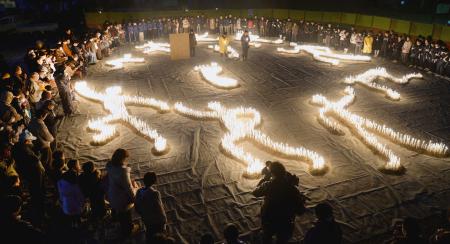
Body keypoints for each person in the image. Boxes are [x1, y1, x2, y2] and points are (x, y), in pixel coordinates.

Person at [253, 162, 306, 244]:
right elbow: (300, 211)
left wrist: (264, 179)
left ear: (272, 173)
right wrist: (301, 200)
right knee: (282, 240)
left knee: (267, 237)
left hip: (269, 219)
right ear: (284, 173)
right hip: (286, 222)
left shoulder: (268, 185)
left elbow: (255, 192)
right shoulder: (293, 189)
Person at [12, 130, 46, 226]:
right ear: (26, 141)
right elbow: (36, 159)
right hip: (34, 173)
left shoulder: (16, 147)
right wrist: (39, 153)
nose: (32, 142)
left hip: (26, 173)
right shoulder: (28, 152)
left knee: (34, 189)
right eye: (30, 140)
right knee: (38, 192)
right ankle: (39, 215)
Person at [106, 148, 138, 239]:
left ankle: (119, 221)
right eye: (125, 159)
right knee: (126, 214)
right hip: (121, 197)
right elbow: (128, 187)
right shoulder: (123, 172)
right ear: (122, 159)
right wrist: (134, 196)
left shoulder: (109, 165)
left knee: (120, 212)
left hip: (112, 192)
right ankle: (127, 230)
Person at [135, 171, 167, 241]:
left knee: (149, 233)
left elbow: (137, 207)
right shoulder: (155, 193)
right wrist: (164, 220)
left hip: (146, 219)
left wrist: (143, 214)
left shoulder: (139, 191)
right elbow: (159, 209)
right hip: (156, 221)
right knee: (159, 237)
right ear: (154, 181)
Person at [57, 159, 85, 226]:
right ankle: (77, 223)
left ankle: (72, 223)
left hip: (65, 206)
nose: (79, 166)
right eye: (78, 165)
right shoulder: (76, 183)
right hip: (75, 207)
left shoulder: (62, 178)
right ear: (74, 167)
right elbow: (80, 197)